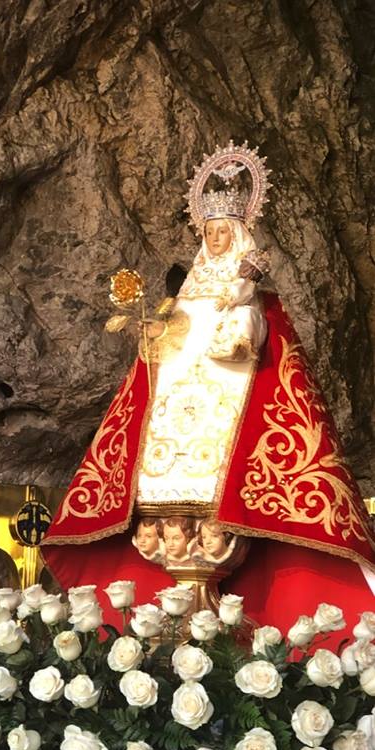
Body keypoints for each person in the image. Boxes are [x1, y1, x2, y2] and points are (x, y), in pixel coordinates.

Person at [42, 142, 375, 639]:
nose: (217, 239)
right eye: (211, 232)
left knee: (224, 499)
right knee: (161, 495)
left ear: (238, 233)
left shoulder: (249, 294)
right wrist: (153, 335)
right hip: (173, 436)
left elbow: (254, 342)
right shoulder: (184, 296)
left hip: (228, 417)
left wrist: (240, 317)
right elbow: (167, 352)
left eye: (225, 232)